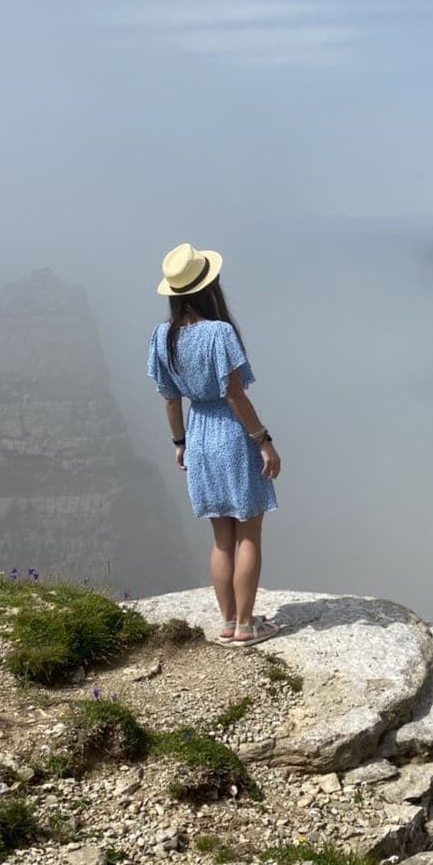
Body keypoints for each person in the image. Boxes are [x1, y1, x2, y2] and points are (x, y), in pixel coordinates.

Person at [146, 242, 283, 647]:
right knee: (248, 534)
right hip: (232, 434)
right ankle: (247, 626)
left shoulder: (162, 336)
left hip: (199, 434)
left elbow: (170, 400)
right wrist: (263, 440)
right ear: (209, 288)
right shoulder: (219, 333)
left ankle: (228, 621)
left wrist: (180, 442)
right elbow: (234, 395)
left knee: (222, 537)